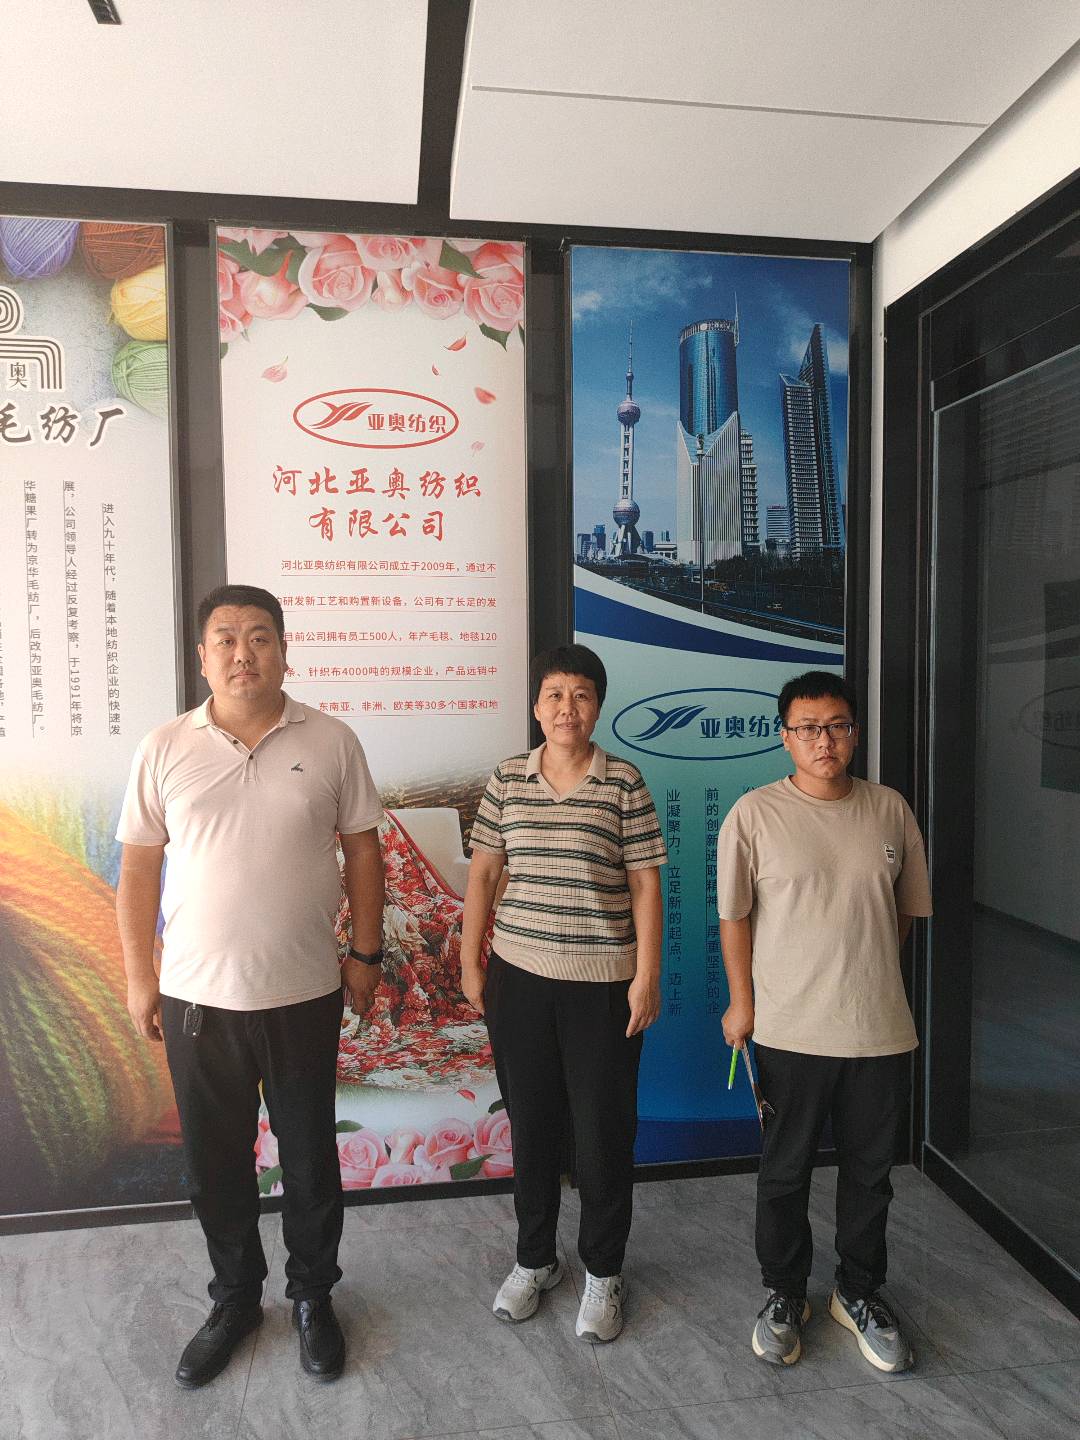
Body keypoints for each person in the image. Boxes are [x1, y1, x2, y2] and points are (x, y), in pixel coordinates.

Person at [116, 584, 385, 1388]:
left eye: (260, 637)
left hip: (303, 992)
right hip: (197, 998)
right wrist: (139, 977)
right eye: (226, 639)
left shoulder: (332, 741)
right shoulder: (165, 746)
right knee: (215, 1164)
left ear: (284, 651)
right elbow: (138, 870)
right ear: (203, 657)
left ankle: (312, 1297)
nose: (243, 653)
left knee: (309, 1161)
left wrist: (366, 955)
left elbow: (364, 852)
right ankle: (234, 1299)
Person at [716, 670, 932, 1373]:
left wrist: (866, 971)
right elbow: (735, 918)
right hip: (789, 1030)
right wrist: (743, 1003)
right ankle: (784, 1293)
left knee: (871, 1175)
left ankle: (858, 1292)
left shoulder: (890, 809)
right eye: (808, 729)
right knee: (785, 1174)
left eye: (837, 726)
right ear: (785, 737)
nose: (824, 741)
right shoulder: (754, 815)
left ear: (855, 733)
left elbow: (902, 912)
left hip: (879, 1028)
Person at [460, 644, 666, 1343]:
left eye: (580, 695)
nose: (566, 708)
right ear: (536, 706)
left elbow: (645, 885)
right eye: (554, 694)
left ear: (597, 706)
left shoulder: (624, 782)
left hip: (602, 984)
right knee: (533, 1126)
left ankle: (604, 1271)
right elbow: (483, 875)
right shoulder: (507, 779)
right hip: (518, 979)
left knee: (603, 1132)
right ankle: (535, 1260)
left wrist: (646, 975)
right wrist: (471, 963)